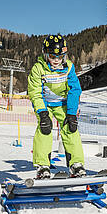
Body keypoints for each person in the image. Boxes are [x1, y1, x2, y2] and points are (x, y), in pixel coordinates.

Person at [28, 35, 85, 179]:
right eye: (53, 57)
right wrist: (42, 113)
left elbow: (74, 89)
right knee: (44, 128)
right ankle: (42, 166)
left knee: (71, 129)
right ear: (46, 55)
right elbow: (35, 92)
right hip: (45, 104)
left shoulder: (69, 67)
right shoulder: (38, 68)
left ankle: (76, 164)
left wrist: (71, 113)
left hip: (63, 104)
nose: (56, 61)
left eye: (60, 57)